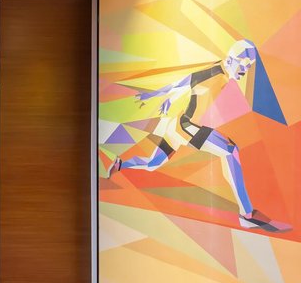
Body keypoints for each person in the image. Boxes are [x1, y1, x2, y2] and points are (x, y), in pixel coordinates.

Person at [108, 39, 290, 233]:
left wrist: (169, 98)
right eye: (243, 64)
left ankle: (121, 164)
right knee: (231, 151)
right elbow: (188, 80)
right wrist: (158, 95)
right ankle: (246, 215)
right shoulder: (216, 72)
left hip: (176, 127)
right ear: (230, 59)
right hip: (187, 127)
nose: (245, 70)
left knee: (153, 164)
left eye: (249, 66)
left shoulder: (221, 71)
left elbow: (191, 84)